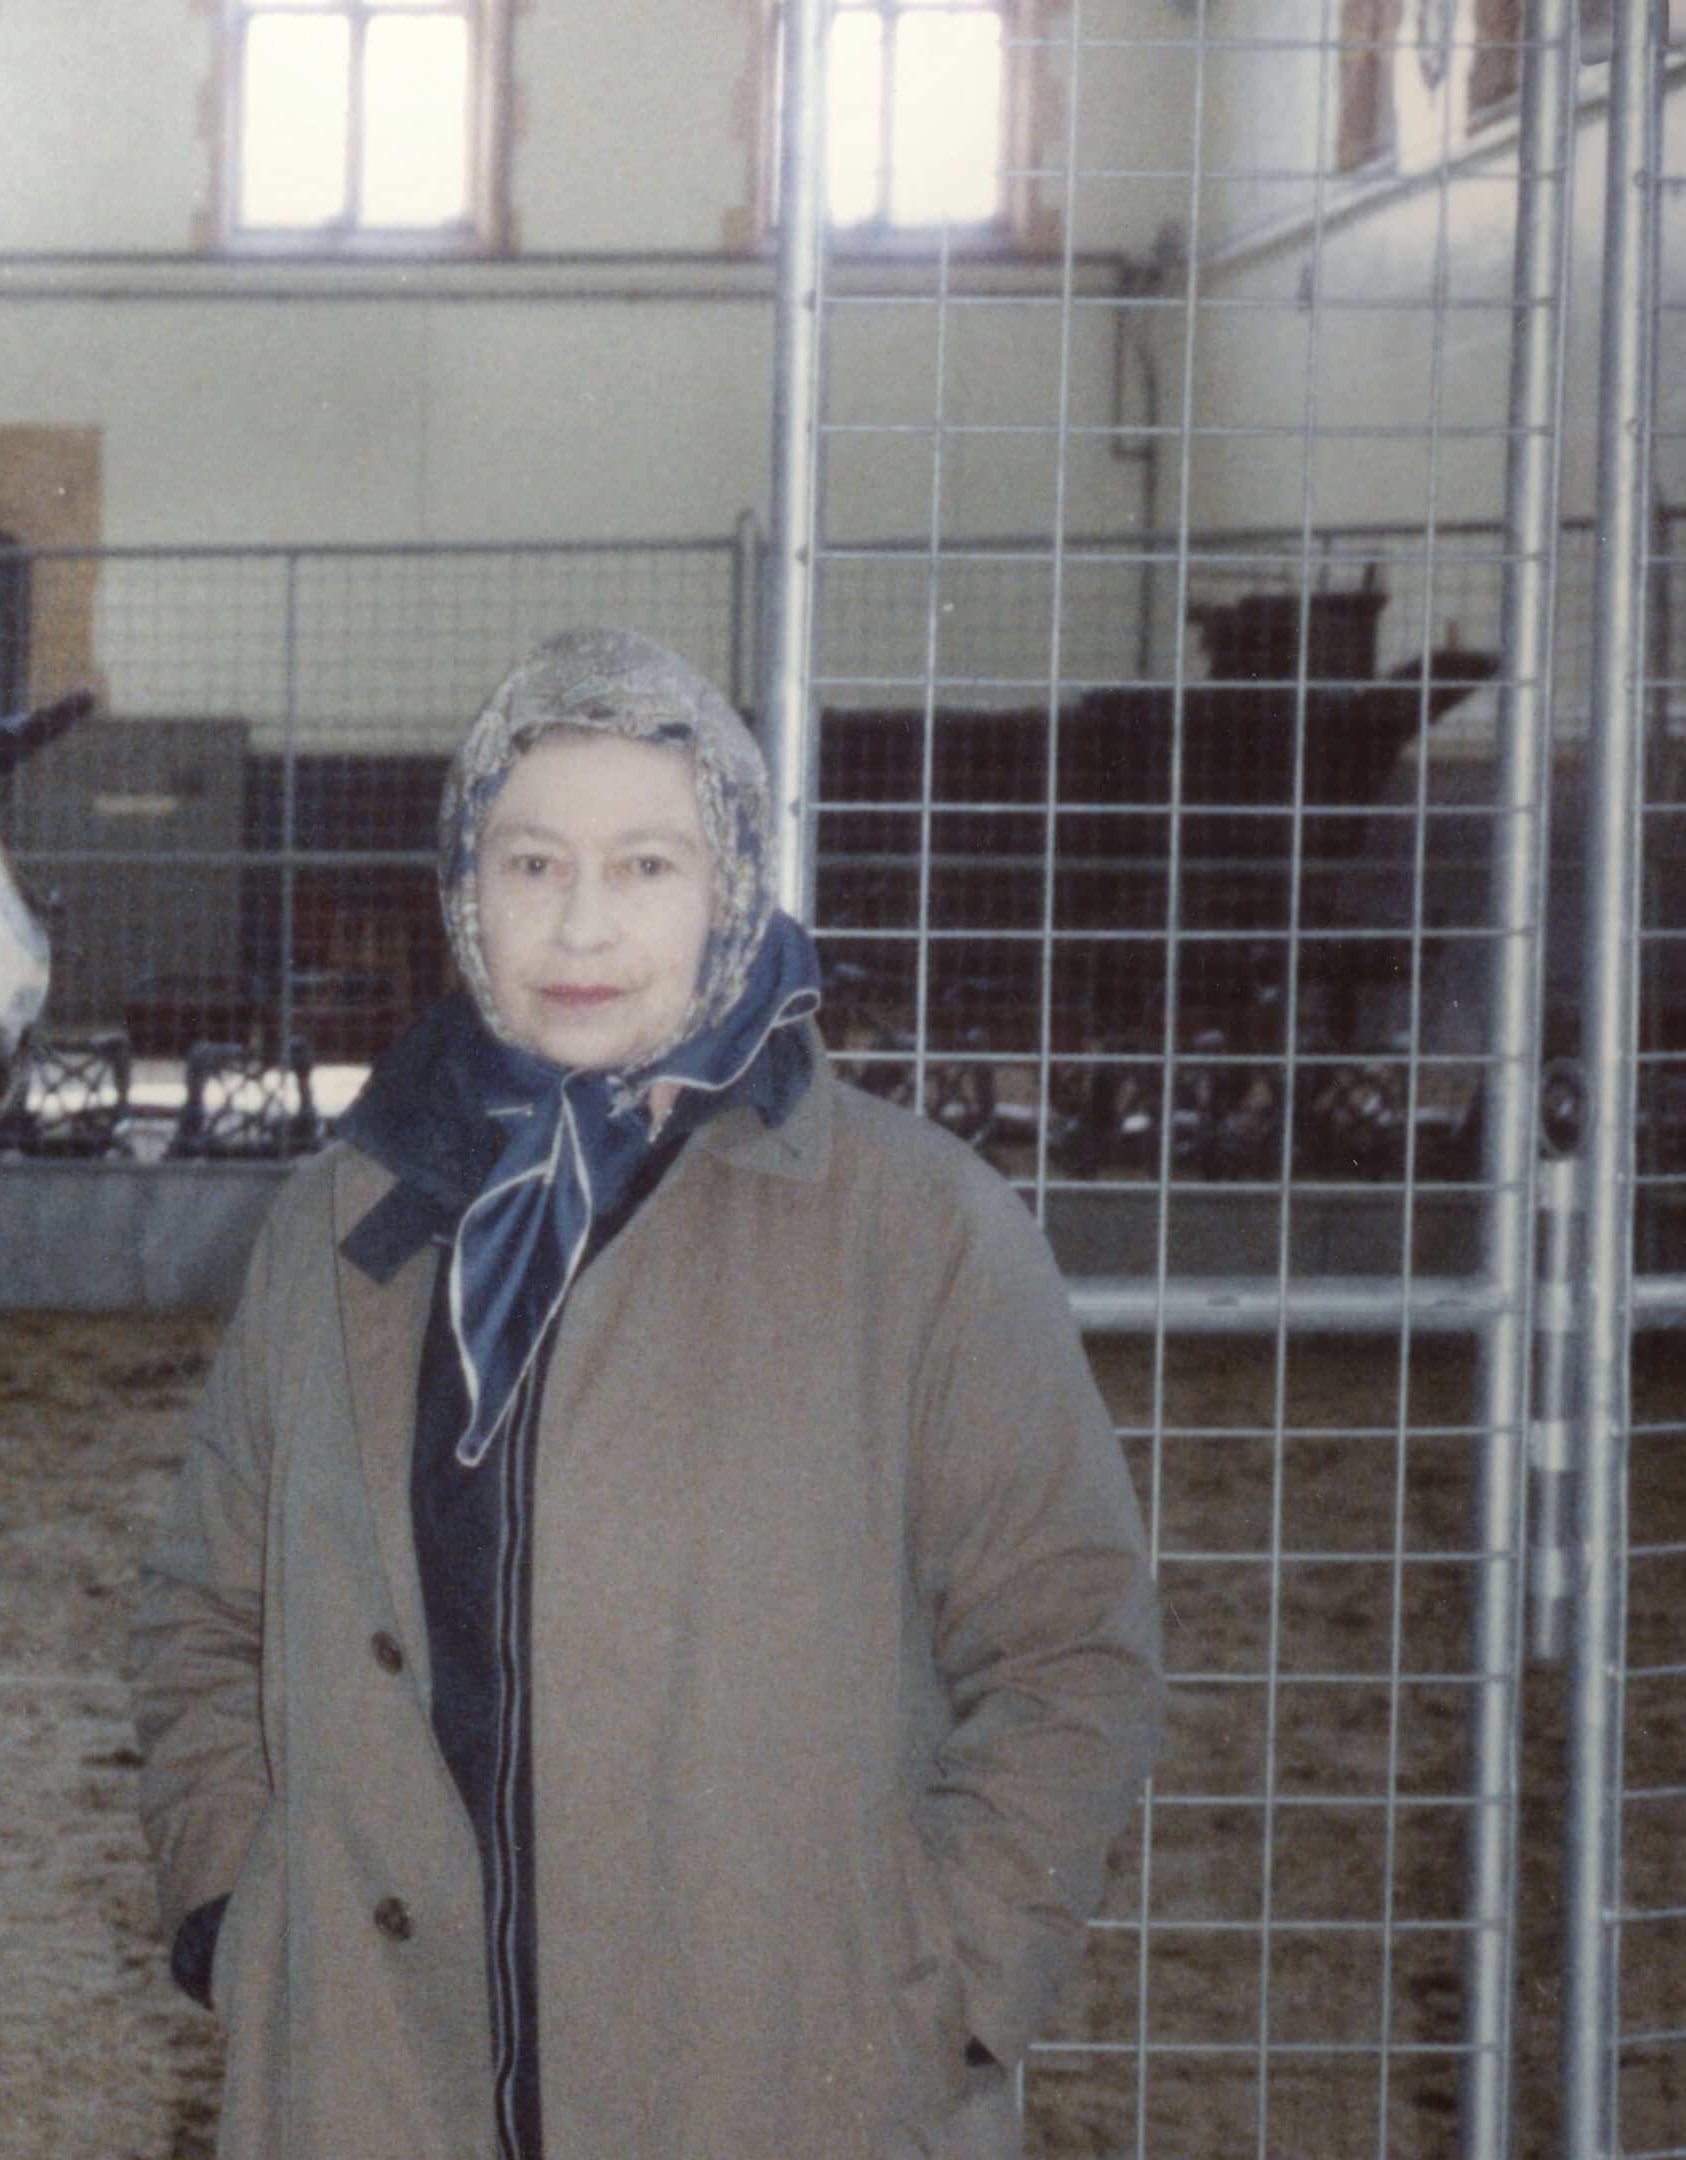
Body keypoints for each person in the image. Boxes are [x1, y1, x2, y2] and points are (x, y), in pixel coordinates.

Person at [130, 628, 1162, 2158]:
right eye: (531, 863)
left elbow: (1072, 1650)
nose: (583, 924)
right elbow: (204, 1609)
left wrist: (937, 1994)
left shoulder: (920, 1229)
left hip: (786, 2084)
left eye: (649, 866)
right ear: (464, 891)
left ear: (735, 882)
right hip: (375, 2076)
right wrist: (242, 1913)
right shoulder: (346, 1216)